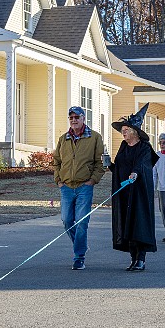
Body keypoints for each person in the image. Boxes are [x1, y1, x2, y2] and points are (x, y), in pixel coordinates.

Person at [53, 106, 105, 270]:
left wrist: (92, 180)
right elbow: (57, 162)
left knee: (82, 222)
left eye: (77, 117)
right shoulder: (63, 139)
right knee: (67, 220)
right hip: (66, 186)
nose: (74, 120)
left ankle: (79, 256)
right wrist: (58, 180)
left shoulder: (95, 138)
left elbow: (100, 163)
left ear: (84, 118)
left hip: (84, 186)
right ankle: (80, 245)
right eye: (71, 117)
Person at [110, 103, 158, 271]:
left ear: (135, 132)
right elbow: (119, 166)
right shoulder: (123, 146)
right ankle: (133, 258)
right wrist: (109, 165)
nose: (123, 132)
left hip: (139, 192)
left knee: (139, 222)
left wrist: (135, 173)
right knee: (126, 222)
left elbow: (143, 164)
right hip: (124, 191)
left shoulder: (144, 147)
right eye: (122, 129)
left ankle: (141, 259)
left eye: (126, 129)